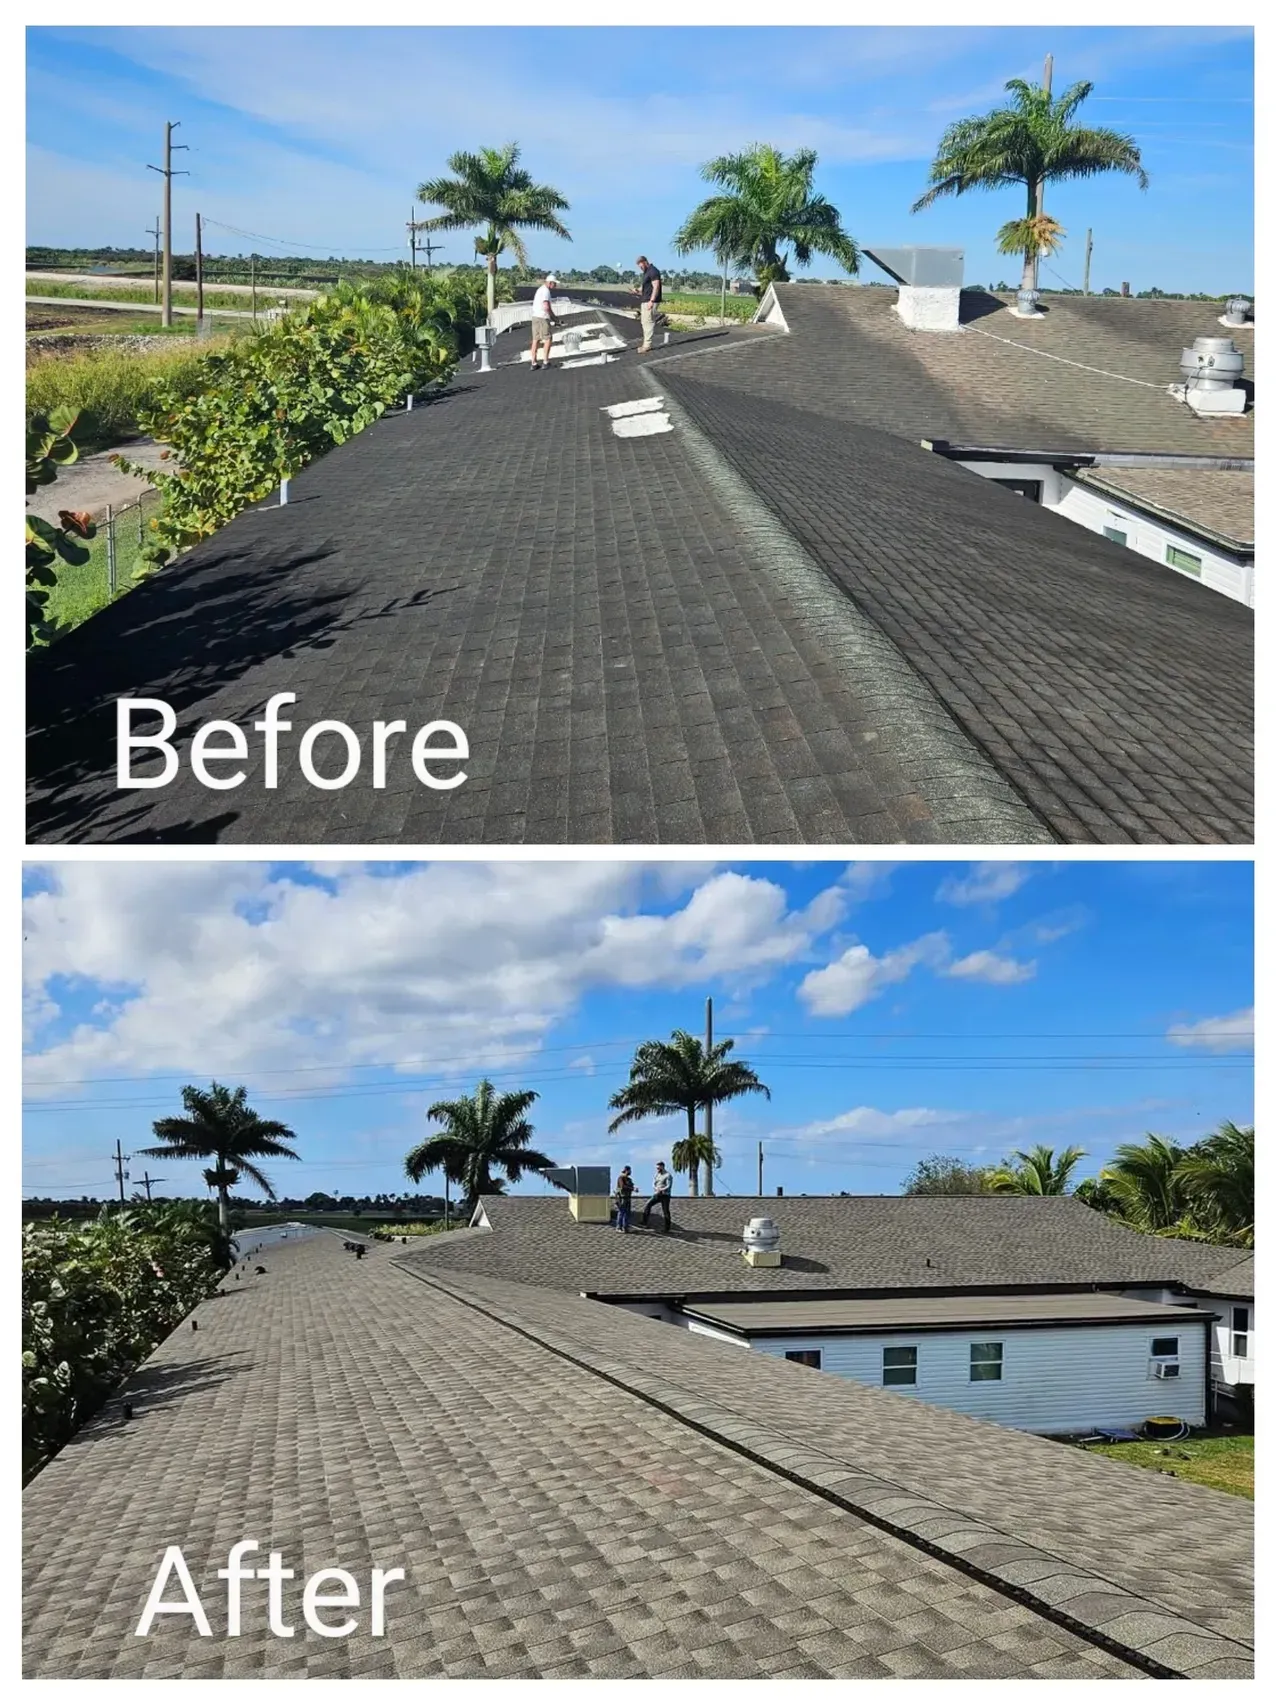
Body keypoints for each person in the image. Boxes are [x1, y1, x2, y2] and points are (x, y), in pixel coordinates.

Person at [634, 255, 663, 352]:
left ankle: (647, 345)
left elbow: (656, 286)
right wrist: (637, 291)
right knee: (644, 322)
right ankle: (646, 344)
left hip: (650, 301)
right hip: (645, 300)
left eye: (641, 266)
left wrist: (652, 301)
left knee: (648, 323)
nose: (641, 268)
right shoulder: (647, 272)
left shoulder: (653, 271)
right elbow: (646, 287)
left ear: (645, 262)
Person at [529, 274, 557, 370]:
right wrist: (554, 318)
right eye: (554, 284)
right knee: (548, 338)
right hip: (542, 317)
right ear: (550, 283)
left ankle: (533, 363)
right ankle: (545, 362)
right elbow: (546, 307)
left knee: (535, 339)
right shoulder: (546, 291)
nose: (555, 286)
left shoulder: (540, 289)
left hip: (535, 316)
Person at [641, 1160, 672, 1233]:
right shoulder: (657, 1175)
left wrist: (661, 1189)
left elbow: (669, 1186)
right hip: (657, 1194)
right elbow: (653, 1184)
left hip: (665, 1195)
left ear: (662, 1167)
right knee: (648, 1204)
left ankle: (667, 1228)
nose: (657, 1169)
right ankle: (644, 1222)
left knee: (666, 1211)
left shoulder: (668, 1175)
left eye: (658, 1168)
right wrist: (656, 1188)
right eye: (657, 1168)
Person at [614, 1165, 635, 1233]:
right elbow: (622, 1186)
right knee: (621, 1212)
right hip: (622, 1198)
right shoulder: (621, 1178)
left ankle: (625, 1227)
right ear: (626, 1170)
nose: (630, 1172)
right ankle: (619, 1227)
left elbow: (631, 1187)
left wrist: (633, 1188)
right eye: (629, 1170)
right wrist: (632, 1188)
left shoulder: (629, 1179)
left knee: (627, 1213)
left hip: (628, 1198)